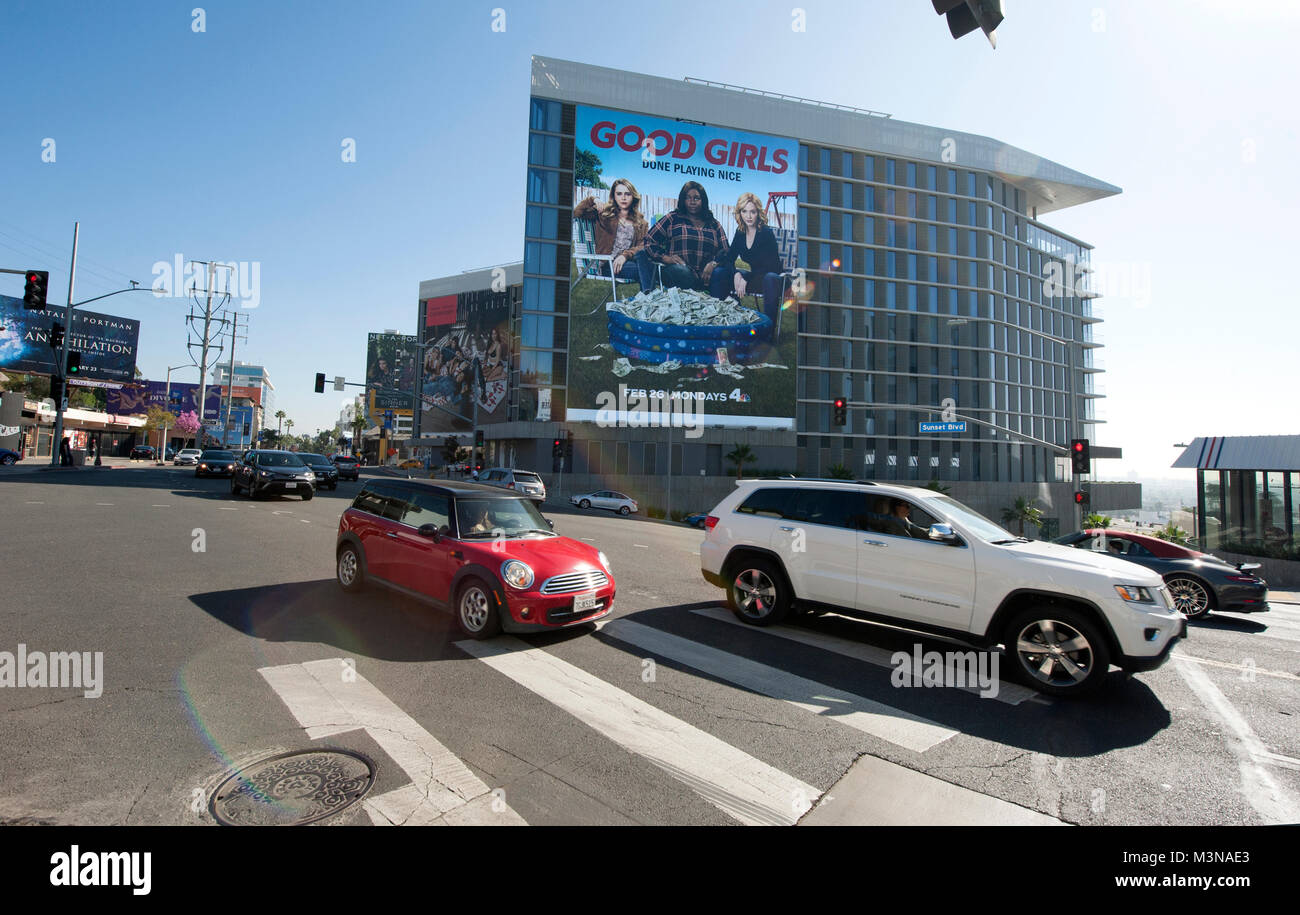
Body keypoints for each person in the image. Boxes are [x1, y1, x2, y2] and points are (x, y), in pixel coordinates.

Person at [635, 181, 728, 293]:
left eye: (696, 198)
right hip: (678, 272)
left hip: (706, 276)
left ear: (703, 201)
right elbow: (649, 240)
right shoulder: (672, 218)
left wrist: (713, 264)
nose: (692, 202)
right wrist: (666, 258)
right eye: (688, 198)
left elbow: (726, 251)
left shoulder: (714, 224)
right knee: (682, 271)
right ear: (683, 200)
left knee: (721, 273)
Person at [713, 192, 786, 333]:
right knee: (719, 272)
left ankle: (767, 332)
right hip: (753, 277)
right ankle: (719, 325)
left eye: (752, 212)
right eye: (744, 211)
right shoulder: (740, 232)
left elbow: (773, 267)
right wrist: (736, 274)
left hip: (772, 279)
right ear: (739, 213)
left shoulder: (766, 233)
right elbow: (729, 258)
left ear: (758, 213)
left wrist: (745, 277)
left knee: (770, 277)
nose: (748, 216)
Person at [573, 179, 649, 283]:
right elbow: (577, 212)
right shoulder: (604, 214)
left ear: (633, 197)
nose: (623, 198)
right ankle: (649, 297)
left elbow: (643, 245)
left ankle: (647, 296)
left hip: (628, 261)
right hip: (608, 264)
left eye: (627, 194)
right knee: (648, 269)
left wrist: (625, 255)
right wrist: (593, 199)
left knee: (645, 261)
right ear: (614, 196)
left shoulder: (641, 223)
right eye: (619, 194)